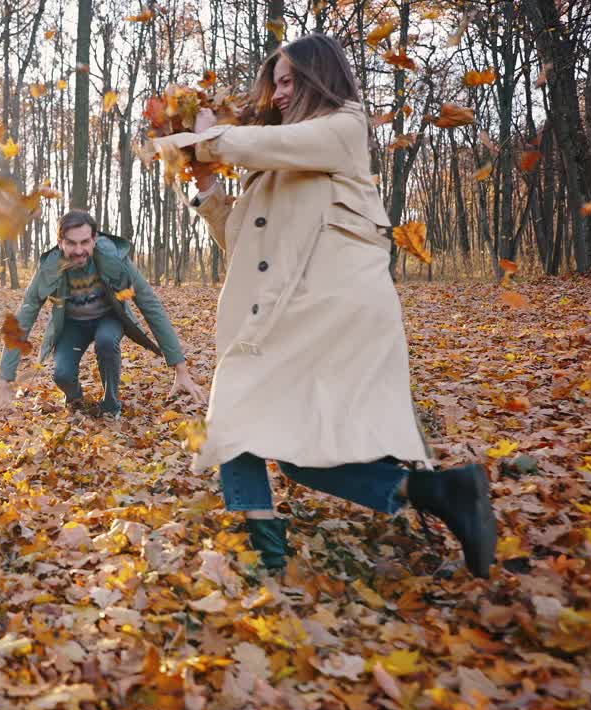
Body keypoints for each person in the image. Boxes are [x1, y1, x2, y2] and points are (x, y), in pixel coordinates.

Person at [157, 33, 497, 578]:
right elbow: (244, 246)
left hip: (334, 314)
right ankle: (440, 492)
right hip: (294, 315)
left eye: (290, 80)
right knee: (293, 455)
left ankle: (264, 559)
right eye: (277, 82)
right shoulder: (276, 162)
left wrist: (206, 140)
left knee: (238, 412)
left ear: (321, 78)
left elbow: (263, 144)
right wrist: (204, 189)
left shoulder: (344, 126)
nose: (280, 92)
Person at [0, 209, 207, 420]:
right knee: (61, 374)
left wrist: (180, 368)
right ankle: (75, 399)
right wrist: (4, 381)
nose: (79, 250)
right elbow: (24, 316)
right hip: (72, 325)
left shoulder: (115, 259)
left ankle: (111, 406)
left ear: (94, 239)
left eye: (84, 242)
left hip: (108, 319)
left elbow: (150, 305)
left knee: (107, 341)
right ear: (60, 243)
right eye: (71, 243)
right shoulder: (49, 268)